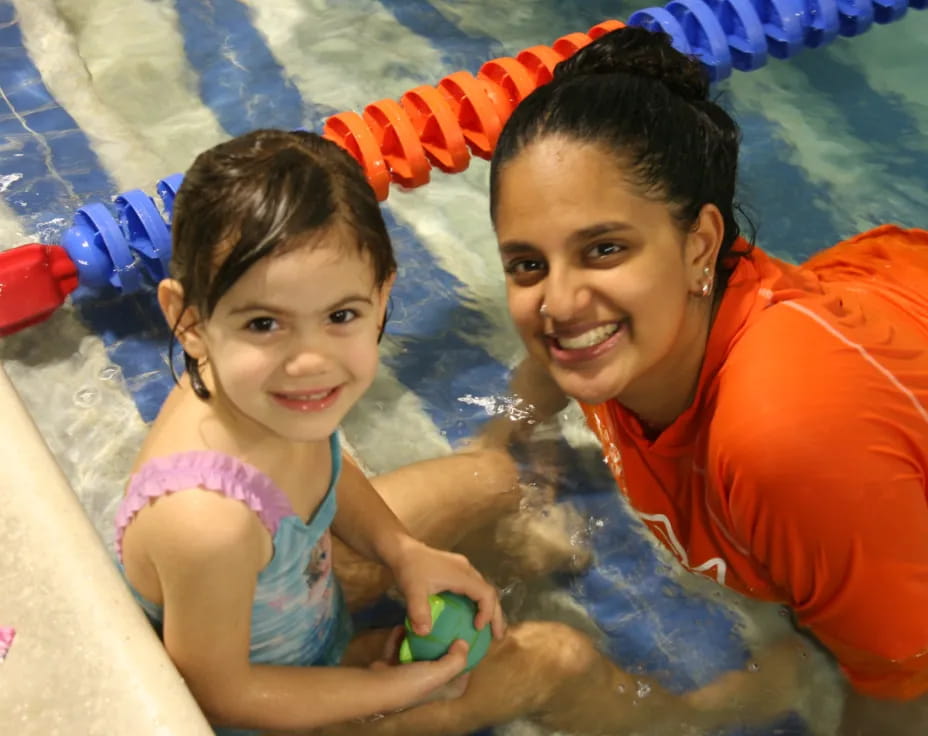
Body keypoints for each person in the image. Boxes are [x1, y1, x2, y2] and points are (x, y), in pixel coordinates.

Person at [114, 129, 793, 736]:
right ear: (190, 321)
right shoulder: (208, 525)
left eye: (342, 315)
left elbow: (317, 467)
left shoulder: (258, 392)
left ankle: (502, 555)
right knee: (557, 658)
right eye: (264, 323)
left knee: (492, 477)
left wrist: (403, 552)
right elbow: (220, 695)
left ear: (383, 293)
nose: (311, 359)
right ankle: (691, 719)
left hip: (297, 609)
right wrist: (379, 687)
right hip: (276, 707)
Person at [486, 25, 928, 735]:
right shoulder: (623, 324)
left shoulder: (785, 441)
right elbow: (550, 345)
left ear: (700, 244)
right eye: (526, 264)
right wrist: (510, 442)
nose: (559, 303)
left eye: (604, 249)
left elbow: (904, 690)